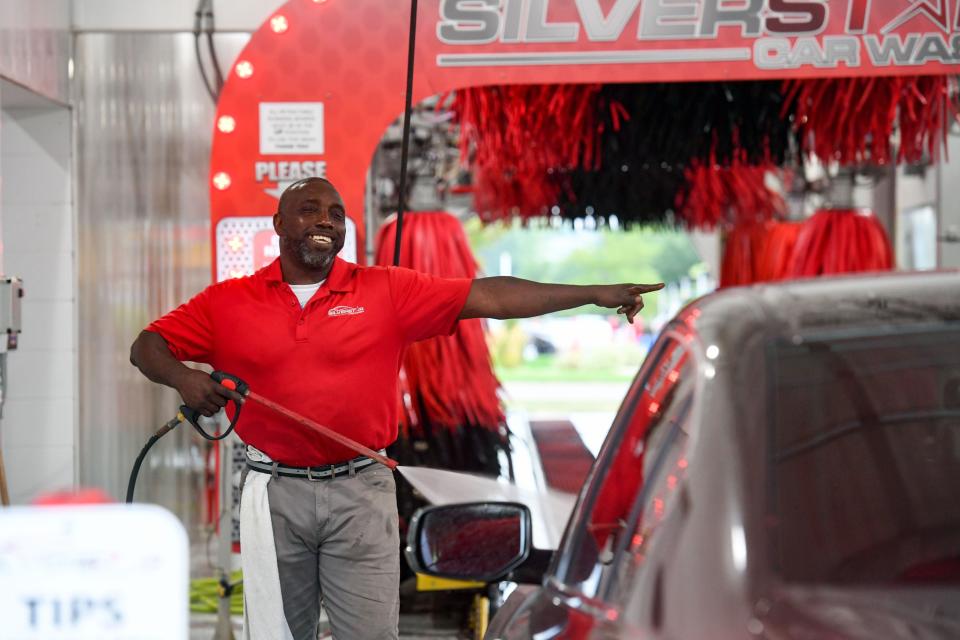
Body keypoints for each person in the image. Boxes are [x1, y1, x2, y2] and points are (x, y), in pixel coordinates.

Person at [129, 177, 664, 640]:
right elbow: (147, 346)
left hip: (361, 492)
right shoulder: (229, 302)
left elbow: (492, 297)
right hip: (274, 493)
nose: (326, 222)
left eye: (336, 214)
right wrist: (183, 379)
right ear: (278, 223)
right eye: (310, 210)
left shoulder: (385, 289)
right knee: (277, 632)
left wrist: (596, 291)